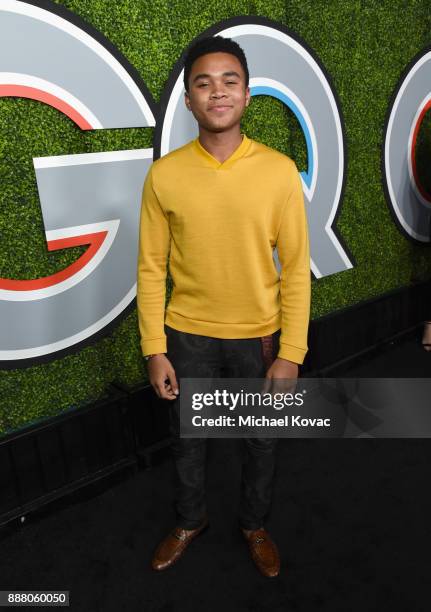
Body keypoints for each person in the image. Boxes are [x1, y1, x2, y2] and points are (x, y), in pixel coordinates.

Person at [137, 35, 311, 578]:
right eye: (203, 83)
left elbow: (298, 270)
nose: (218, 92)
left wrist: (292, 353)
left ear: (247, 95)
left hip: (259, 337)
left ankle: (254, 524)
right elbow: (150, 270)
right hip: (186, 335)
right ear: (188, 100)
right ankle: (191, 519)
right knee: (187, 441)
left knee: (261, 440)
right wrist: (154, 349)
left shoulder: (279, 171)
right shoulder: (164, 175)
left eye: (229, 81)